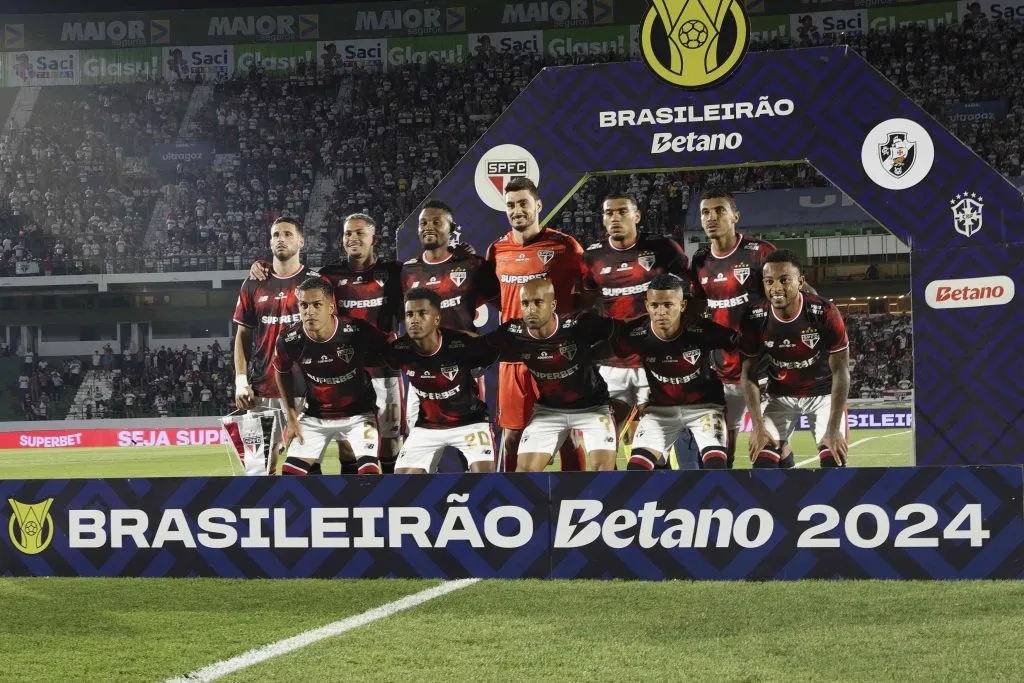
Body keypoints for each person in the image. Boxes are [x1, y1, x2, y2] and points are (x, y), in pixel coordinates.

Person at [250, 213, 405, 473]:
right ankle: (349, 497)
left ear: (373, 238)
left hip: (383, 368)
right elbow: (298, 282)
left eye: (359, 233)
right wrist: (264, 265)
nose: (353, 238)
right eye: (348, 233)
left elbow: (428, 271)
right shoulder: (329, 274)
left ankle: (387, 497)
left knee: (389, 438)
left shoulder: (394, 271)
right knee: (347, 441)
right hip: (344, 366)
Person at [690, 189, 810, 468]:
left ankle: (781, 504)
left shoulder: (759, 253)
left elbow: (795, 290)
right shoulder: (700, 261)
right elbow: (695, 312)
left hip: (763, 367)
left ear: (735, 216)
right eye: (705, 212)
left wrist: (821, 321)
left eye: (719, 210)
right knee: (720, 451)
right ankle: (721, 507)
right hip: (723, 370)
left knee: (772, 445)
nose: (712, 217)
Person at [485, 177, 589, 473]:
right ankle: (510, 500)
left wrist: (566, 325)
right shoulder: (497, 250)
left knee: (568, 434)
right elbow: (497, 297)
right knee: (513, 434)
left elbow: (586, 294)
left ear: (538, 206)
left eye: (523, 203)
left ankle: (577, 498)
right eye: (511, 205)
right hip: (516, 357)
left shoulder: (564, 246)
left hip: (558, 357)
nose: (517, 210)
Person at [581, 192, 689, 454]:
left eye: (622, 212)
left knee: (656, 445)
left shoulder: (663, 248)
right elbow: (585, 308)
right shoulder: (592, 258)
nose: (615, 218)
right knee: (601, 444)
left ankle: (664, 492)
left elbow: (689, 295)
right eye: (609, 213)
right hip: (611, 365)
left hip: (654, 362)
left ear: (637, 216)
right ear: (603, 219)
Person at [485, 278, 618, 472]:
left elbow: (621, 335)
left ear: (553, 305)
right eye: (525, 303)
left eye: (538, 302)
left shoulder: (578, 324)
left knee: (603, 472)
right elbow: (479, 347)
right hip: (549, 410)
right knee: (525, 473)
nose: (531, 309)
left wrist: (594, 354)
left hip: (593, 408)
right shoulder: (514, 332)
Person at [611, 274, 737, 470]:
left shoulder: (701, 330)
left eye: (668, 305)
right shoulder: (634, 333)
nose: (661, 312)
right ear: (647, 306)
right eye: (655, 305)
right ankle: (660, 501)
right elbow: (605, 351)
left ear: (683, 305)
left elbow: (744, 346)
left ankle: (716, 500)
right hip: (661, 412)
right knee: (635, 471)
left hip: (704, 408)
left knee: (716, 466)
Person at [741, 250, 851, 468]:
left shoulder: (825, 312)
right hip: (780, 395)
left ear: (800, 282)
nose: (776, 288)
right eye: (769, 281)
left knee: (833, 462)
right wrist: (758, 426)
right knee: (762, 463)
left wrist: (833, 429)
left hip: (823, 394)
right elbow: (748, 373)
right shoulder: (754, 315)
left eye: (784, 280)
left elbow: (841, 371)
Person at [401, 199, 499, 434]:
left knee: (474, 438)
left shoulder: (472, 265)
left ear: (452, 228)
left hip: (463, 368)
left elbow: (504, 303)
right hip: (421, 371)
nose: (428, 227)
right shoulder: (407, 270)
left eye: (436, 222)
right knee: (417, 440)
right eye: (423, 222)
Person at [273, 277, 389, 476]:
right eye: (304, 305)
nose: (309, 311)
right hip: (315, 416)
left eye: (317, 304)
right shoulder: (289, 339)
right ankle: (318, 507)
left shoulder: (356, 330)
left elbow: (389, 352)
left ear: (330, 307)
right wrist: (292, 418)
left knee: (369, 473)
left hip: (359, 415)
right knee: (290, 475)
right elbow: (281, 372)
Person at [232, 216, 314, 473]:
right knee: (258, 468)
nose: (281, 238)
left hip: (303, 388)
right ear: (270, 242)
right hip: (262, 387)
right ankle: (264, 514)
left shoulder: (314, 283)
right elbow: (243, 334)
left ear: (301, 241)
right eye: (276, 234)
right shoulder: (253, 283)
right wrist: (241, 380)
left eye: (288, 234)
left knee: (303, 468)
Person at [387, 288, 500, 474]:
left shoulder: (461, 344)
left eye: (422, 313)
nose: (415, 319)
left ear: (437, 319)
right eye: (409, 314)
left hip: (469, 422)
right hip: (428, 425)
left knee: (484, 477)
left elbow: (492, 349)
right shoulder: (398, 350)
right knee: (403, 483)